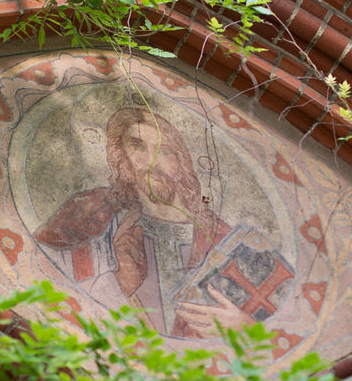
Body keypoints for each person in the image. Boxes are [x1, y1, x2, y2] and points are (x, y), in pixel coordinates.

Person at [34, 107, 258, 337]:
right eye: (137, 146)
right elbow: (42, 291)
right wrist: (120, 282)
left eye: (165, 151)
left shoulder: (224, 239)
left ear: (181, 163)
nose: (152, 161)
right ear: (121, 158)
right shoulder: (90, 217)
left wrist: (244, 325)